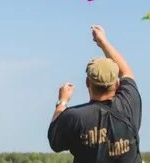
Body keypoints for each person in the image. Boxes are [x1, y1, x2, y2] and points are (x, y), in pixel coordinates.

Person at [47, 25, 142, 163]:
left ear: (87, 82)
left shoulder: (74, 116)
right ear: (116, 84)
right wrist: (103, 41)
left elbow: (54, 141)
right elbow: (126, 72)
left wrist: (62, 102)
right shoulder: (129, 103)